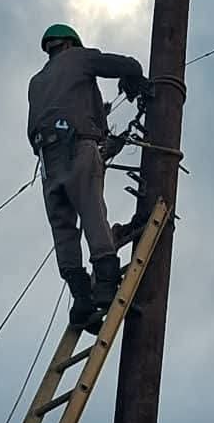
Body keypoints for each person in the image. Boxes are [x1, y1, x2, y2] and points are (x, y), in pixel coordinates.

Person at [27, 22, 148, 329]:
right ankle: (107, 286)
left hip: (47, 162)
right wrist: (134, 80)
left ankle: (81, 300)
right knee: (93, 213)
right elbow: (127, 65)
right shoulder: (79, 58)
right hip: (77, 147)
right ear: (70, 44)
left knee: (64, 231)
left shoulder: (36, 82)